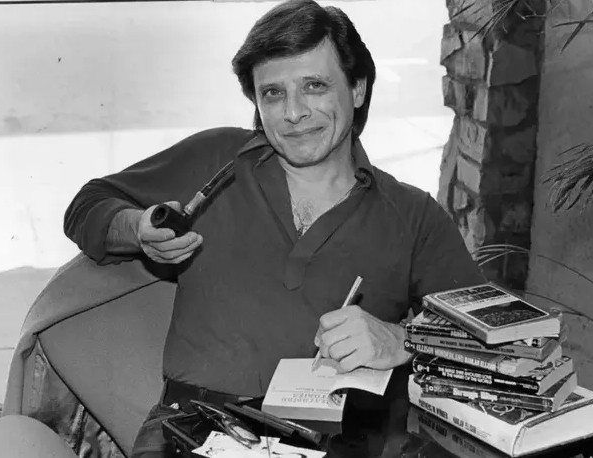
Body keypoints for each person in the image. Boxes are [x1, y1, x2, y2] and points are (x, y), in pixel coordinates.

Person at [63, 0, 485, 456]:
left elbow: (487, 339)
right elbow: (87, 205)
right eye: (273, 93)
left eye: (314, 86)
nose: (293, 112)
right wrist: (138, 229)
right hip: (193, 431)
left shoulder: (412, 214)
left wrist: (402, 341)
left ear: (358, 88)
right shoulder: (217, 160)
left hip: (342, 440)